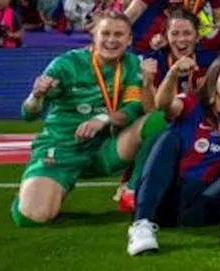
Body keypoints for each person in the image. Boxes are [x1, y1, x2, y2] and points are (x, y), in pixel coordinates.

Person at [125, 53, 220, 255]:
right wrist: (173, 74)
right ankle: (142, 224)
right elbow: (164, 105)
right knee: (168, 138)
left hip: (205, 201)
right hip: (168, 200)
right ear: (215, 76)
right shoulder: (192, 102)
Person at [13, 13, 147, 226]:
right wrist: (36, 96)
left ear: (129, 39)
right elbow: (29, 114)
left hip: (104, 150)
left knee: (153, 121)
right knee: (33, 217)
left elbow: (132, 109)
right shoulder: (66, 64)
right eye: (105, 33)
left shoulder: (131, 64)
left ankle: (131, 188)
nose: (112, 40)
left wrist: (102, 119)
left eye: (119, 34)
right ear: (94, 35)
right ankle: (46, 188)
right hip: (63, 149)